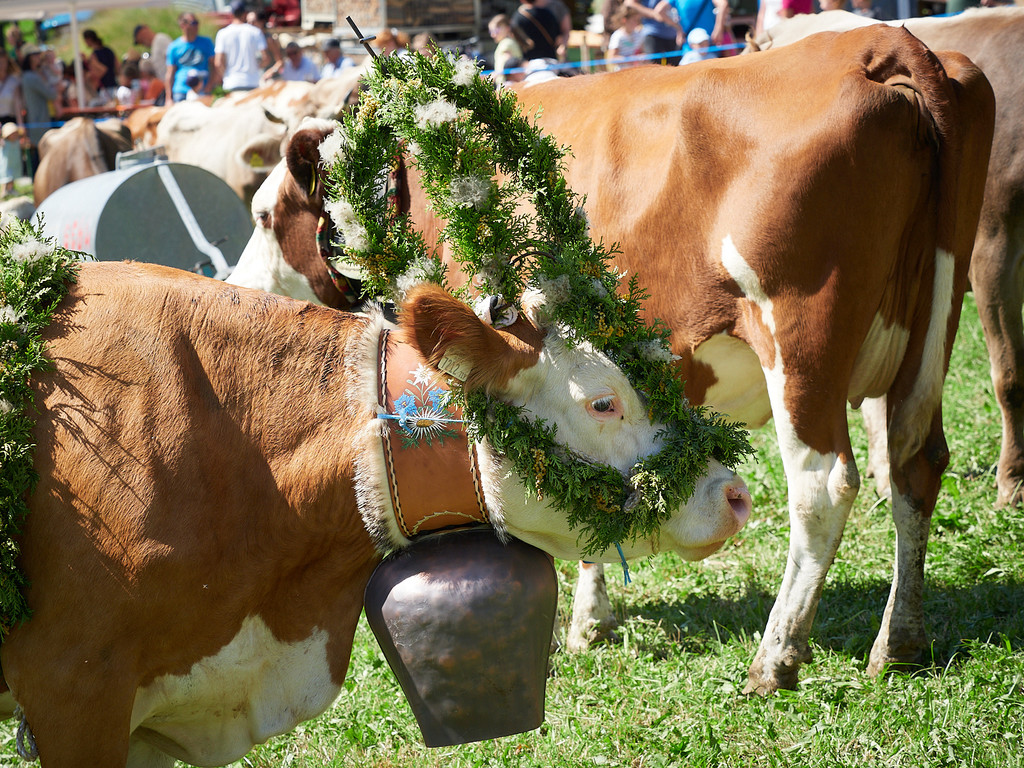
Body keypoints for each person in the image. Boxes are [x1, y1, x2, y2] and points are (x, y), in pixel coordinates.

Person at [19, 44, 59, 178]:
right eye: (35, 55)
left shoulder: (30, 75)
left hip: (38, 120)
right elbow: (51, 94)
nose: (38, 57)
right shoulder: (31, 77)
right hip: (39, 121)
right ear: (29, 58)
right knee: (41, 155)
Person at [214, 0, 268, 93]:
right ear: (245, 13)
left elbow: (218, 63)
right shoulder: (255, 32)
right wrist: (255, 68)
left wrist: (226, 76)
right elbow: (266, 58)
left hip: (231, 83)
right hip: (252, 82)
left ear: (231, 13)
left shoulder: (222, 33)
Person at [165, 12, 215, 103]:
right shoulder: (174, 47)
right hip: (181, 91)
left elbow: (214, 66)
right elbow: (170, 73)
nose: (196, 26)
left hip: (202, 90)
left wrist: (210, 85)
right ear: (183, 25)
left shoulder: (206, 42)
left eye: (197, 23)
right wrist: (168, 98)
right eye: (193, 23)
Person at [624, 0, 681, 65]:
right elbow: (629, 3)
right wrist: (652, 13)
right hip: (652, 33)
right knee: (655, 67)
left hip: (673, 34)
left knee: (675, 68)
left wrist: (679, 29)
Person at [82, 29, 118, 104]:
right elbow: (117, 65)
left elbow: (102, 70)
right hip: (114, 85)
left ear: (88, 39)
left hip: (105, 89)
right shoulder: (109, 50)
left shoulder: (94, 55)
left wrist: (89, 62)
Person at [488, 14, 524, 85]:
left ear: (507, 28)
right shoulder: (509, 42)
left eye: (496, 30)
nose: (493, 35)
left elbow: (507, 63)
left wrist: (491, 77)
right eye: (490, 31)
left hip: (507, 84)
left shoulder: (506, 43)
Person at [0, 122, 22, 194]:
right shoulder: (4, 143)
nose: (14, 135)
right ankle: (4, 191)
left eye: (15, 133)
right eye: (12, 134)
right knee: (6, 178)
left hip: (14, 163)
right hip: (7, 164)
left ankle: (11, 189)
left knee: (12, 178)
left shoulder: (17, 142)